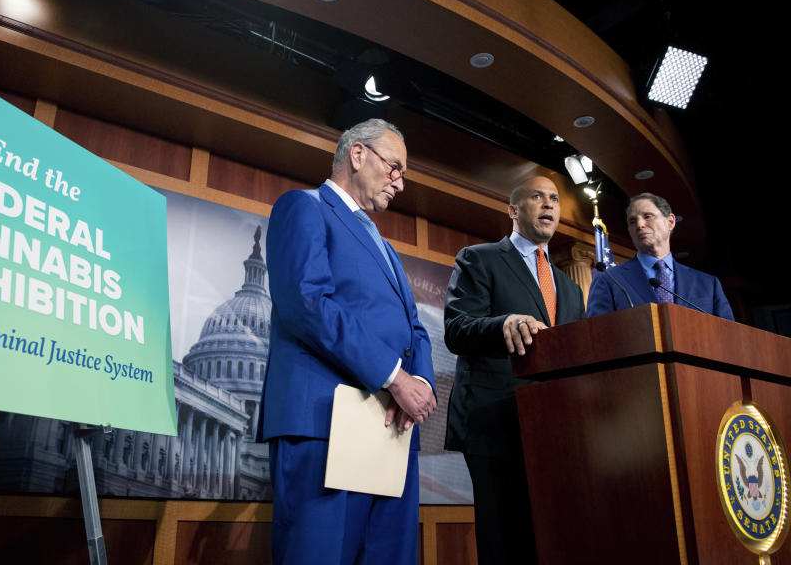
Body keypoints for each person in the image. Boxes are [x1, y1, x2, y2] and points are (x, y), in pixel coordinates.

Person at [257, 118, 436, 565]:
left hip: (392, 427)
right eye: (394, 168)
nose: (399, 183)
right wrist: (394, 376)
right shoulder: (304, 207)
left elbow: (415, 327)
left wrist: (423, 385)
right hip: (324, 426)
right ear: (358, 155)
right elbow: (306, 302)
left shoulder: (386, 247)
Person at [443, 175, 585, 565]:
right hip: (496, 423)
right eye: (537, 196)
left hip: (554, 430)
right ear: (513, 209)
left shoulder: (569, 288)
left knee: (551, 540)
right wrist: (501, 324)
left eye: (554, 198)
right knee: (505, 542)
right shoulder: (479, 258)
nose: (548, 205)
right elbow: (456, 329)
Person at [586, 192, 733, 319]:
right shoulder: (609, 280)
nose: (640, 225)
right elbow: (598, 338)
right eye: (633, 221)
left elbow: (728, 336)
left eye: (647, 216)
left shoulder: (708, 284)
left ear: (670, 221)